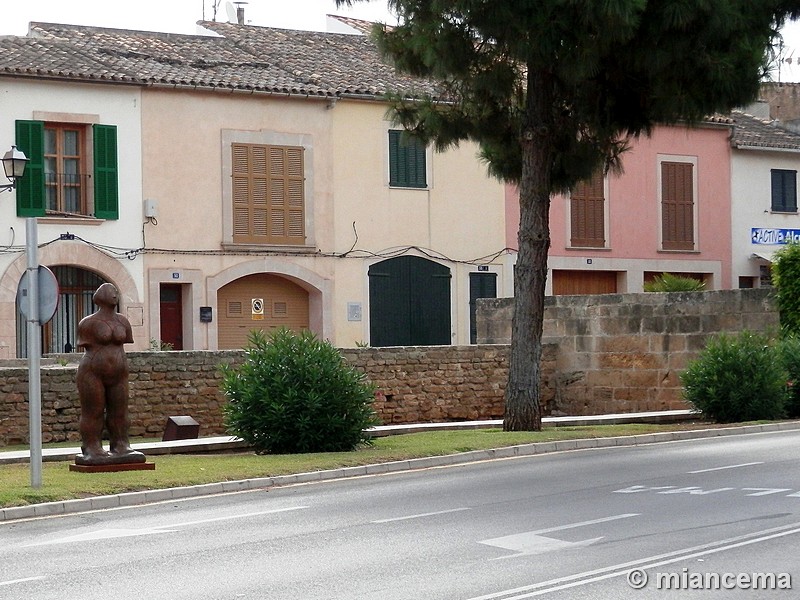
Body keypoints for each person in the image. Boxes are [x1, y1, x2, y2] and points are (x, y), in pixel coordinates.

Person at [74, 283, 145, 465]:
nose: (114, 295)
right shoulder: (88, 323)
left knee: (120, 411)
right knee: (94, 411)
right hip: (92, 372)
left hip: (119, 373)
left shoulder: (123, 321)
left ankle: (121, 445)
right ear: (99, 297)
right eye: (109, 292)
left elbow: (123, 343)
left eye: (115, 292)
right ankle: (91, 446)